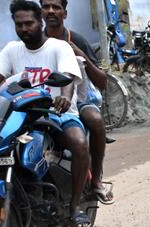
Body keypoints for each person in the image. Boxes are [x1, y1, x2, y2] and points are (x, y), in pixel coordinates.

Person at [0, 0, 92, 227]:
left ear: (39, 21)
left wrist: (64, 97)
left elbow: (67, 77)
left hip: (56, 112)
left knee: (78, 143)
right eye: (19, 24)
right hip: (21, 115)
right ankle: (17, 201)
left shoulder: (58, 47)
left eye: (29, 23)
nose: (24, 29)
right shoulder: (12, 49)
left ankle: (75, 207)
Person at [41, 0, 113, 205]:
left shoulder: (77, 40)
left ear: (65, 12)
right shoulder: (35, 42)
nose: (51, 11)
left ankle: (96, 179)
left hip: (79, 98)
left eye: (56, 7)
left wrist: (80, 54)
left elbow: (102, 81)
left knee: (95, 119)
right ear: (41, 12)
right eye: (46, 7)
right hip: (45, 99)